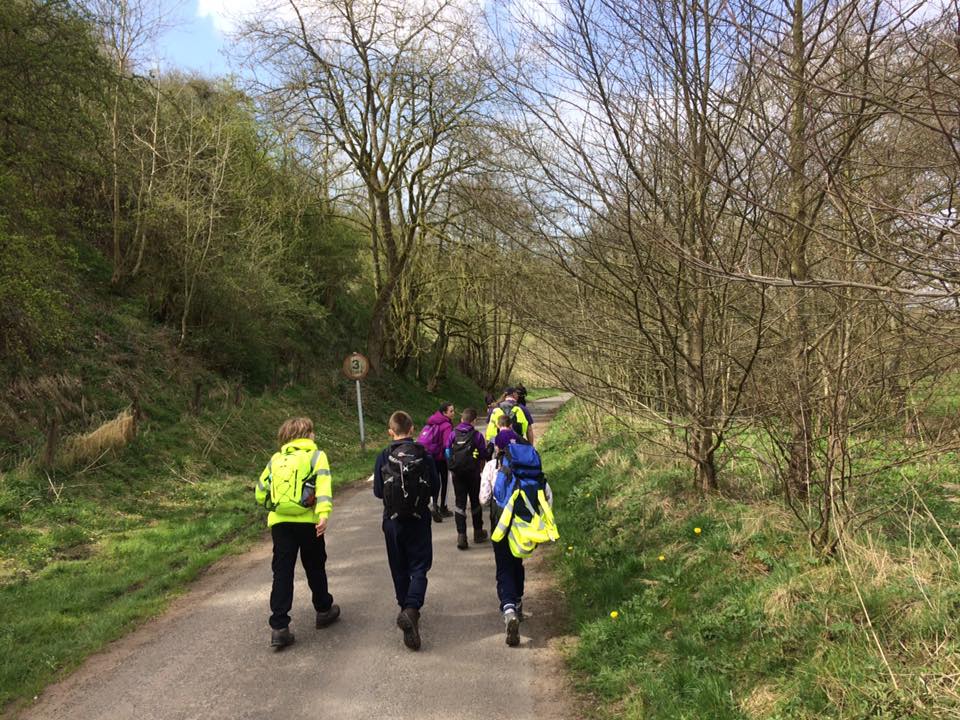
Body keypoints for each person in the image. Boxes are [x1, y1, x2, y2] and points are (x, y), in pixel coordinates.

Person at [255, 417, 340, 649]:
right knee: (315, 566)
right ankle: (323, 610)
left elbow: (260, 492)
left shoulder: (275, 459)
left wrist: (274, 503)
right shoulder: (316, 456)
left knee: (282, 571)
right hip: (309, 522)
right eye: (312, 431)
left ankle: (279, 627)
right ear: (307, 434)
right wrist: (323, 514)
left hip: (281, 523)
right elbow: (323, 487)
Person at [373, 410, 441, 651]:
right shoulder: (424, 455)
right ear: (412, 429)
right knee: (419, 566)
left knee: (399, 567)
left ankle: (405, 608)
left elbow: (378, 491)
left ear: (390, 432)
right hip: (418, 519)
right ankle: (412, 609)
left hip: (392, 521)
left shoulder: (383, 456)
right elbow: (435, 487)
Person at [488, 433, 558, 647]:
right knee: (517, 562)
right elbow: (548, 499)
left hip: (501, 525)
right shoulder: (532, 471)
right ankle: (518, 602)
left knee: (504, 567)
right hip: (524, 527)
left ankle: (509, 608)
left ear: (499, 448)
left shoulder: (493, 467)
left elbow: (483, 497)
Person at [444, 407, 489, 550]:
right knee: (475, 502)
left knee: (460, 503)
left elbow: (447, 450)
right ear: (474, 421)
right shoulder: (477, 436)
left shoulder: (453, 434)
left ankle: (461, 535)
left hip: (457, 474)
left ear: (462, 419)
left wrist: (451, 464)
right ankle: (478, 532)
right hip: (473, 473)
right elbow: (483, 454)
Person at [419, 402, 456, 521]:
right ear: (444, 413)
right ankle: (443, 508)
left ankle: (434, 504)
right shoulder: (447, 425)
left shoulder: (431, 421)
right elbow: (447, 444)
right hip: (441, 458)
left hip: (430, 457)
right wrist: (451, 458)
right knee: (445, 482)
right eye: (451, 411)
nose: (453, 413)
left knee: (434, 481)